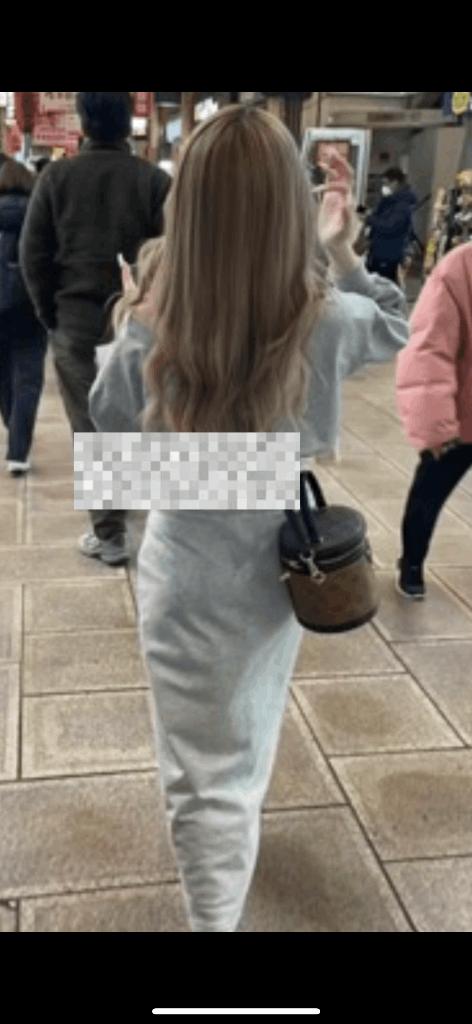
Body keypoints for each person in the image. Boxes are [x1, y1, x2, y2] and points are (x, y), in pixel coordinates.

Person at [89, 107, 409, 933]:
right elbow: (397, 327)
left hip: (185, 572)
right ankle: (228, 860)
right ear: (289, 208)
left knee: (201, 772)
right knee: (243, 732)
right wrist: (341, 251)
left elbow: (111, 444)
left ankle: (213, 915)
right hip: (278, 571)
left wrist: (131, 325)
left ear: (186, 206)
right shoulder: (324, 316)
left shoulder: (157, 324)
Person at [19, 92, 171, 565]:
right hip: (142, 321)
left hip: (77, 319)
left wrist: (50, 313)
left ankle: (109, 534)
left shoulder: (56, 177)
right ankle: (160, 515)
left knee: (91, 424)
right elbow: (175, 254)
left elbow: (33, 253)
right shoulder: (154, 180)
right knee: (147, 414)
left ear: (82, 122)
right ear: (130, 123)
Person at [396, 242, 472, 599]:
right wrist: (436, 426)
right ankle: (412, 560)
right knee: (430, 491)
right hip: (461, 418)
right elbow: (429, 349)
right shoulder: (460, 267)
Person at [0, 158, 47, 475]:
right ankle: (18, 452)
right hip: (30, 308)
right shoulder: (38, 215)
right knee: (28, 380)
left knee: (4, 378)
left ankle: (13, 425)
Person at [367, 167, 417, 284]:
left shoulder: (402, 205)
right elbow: (381, 217)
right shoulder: (390, 201)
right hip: (379, 252)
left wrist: (370, 219)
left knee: (382, 285)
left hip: (388, 254)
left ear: (395, 183)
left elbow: (390, 226)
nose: (383, 187)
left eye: (385, 183)